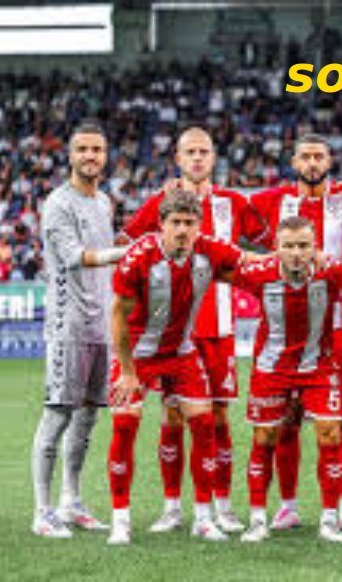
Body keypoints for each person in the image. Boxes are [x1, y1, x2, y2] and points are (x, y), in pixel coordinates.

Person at [120, 126, 268, 534]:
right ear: (178, 158)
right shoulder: (160, 203)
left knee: (217, 417)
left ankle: (222, 506)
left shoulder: (234, 203)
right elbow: (126, 245)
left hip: (218, 328)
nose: (198, 158)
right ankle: (172, 507)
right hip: (171, 331)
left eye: (204, 151)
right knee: (172, 416)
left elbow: (266, 245)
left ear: (214, 157)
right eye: (191, 152)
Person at [106, 189, 253, 545]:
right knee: (125, 427)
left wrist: (295, 256)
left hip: (182, 351)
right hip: (138, 354)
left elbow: (251, 262)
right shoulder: (139, 257)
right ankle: (120, 519)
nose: (183, 230)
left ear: (199, 225)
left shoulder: (209, 250)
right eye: (176, 223)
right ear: (161, 225)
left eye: (190, 223)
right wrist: (127, 371)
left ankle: (203, 517)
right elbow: (118, 316)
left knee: (204, 425)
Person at [250, 134, 342, 530]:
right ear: (293, 161)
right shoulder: (271, 201)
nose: (311, 163)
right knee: (285, 420)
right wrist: (184, 188)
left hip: (338, 326)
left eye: (318, 156)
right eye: (304, 156)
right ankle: (287, 505)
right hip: (286, 327)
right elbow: (224, 212)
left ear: (329, 160)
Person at [234, 216, 342, 544]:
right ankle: (257, 519)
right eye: (288, 246)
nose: (296, 253)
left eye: (303, 246)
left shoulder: (332, 272)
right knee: (265, 437)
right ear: (276, 248)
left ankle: (330, 519)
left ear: (315, 247)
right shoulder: (257, 274)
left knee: (330, 433)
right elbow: (219, 265)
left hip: (319, 367)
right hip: (271, 369)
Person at [31, 122, 128, 538]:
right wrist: (126, 252)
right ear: (70, 155)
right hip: (68, 324)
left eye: (97, 149)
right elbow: (74, 257)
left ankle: (71, 501)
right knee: (57, 415)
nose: (90, 156)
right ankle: (43, 511)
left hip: (99, 324)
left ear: (106, 156)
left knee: (87, 418)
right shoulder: (58, 203)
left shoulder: (104, 202)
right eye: (83, 149)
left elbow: (104, 252)